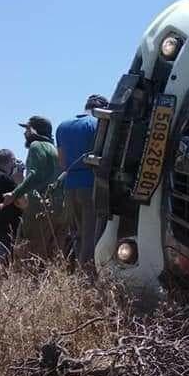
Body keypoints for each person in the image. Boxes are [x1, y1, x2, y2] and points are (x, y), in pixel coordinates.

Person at [0, 116, 65, 261]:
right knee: (50, 256)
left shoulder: (36, 146)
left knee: (27, 254)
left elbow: (34, 174)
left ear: (35, 130)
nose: (25, 133)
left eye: (27, 129)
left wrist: (14, 194)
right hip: (57, 209)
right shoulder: (54, 150)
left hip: (38, 209)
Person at [56, 95, 108, 267]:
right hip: (91, 184)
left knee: (77, 233)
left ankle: (77, 271)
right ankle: (88, 276)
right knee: (91, 234)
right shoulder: (98, 124)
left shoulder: (63, 126)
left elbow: (62, 163)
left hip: (70, 186)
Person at [0, 149, 22, 267]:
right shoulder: (6, 180)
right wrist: (19, 180)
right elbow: (21, 202)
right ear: (12, 161)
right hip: (5, 231)